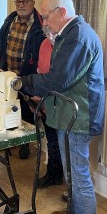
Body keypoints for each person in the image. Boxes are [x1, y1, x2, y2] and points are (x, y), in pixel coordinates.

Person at [20, 0, 105, 214]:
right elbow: (61, 78)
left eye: (46, 17)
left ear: (62, 13)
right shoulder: (69, 33)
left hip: (80, 117)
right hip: (69, 113)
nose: (44, 22)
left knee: (79, 176)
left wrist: (21, 82)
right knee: (72, 173)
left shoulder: (77, 37)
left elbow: (58, 78)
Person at [0, 0, 44, 159]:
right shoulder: (10, 20)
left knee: (27, 112)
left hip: (27, 76)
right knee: (7, 109)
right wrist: (0, 61)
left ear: (33, 2)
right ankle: (8, 140)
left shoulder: (39, 25)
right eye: (18, 2)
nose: (21, 5)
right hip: (7, 75)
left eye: (25, 1)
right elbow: (2, 43)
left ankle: (24, 144)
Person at [35, 27, 63, 188]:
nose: (51, 37)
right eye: (47, 33)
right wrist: (38, 99)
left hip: (61, 102)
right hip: (46, 100)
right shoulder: (44, 45)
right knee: (51, 139)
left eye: (54, 33)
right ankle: (53, 174)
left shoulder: (66, 48)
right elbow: (40, 73)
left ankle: (64, 178)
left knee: (63, 143)